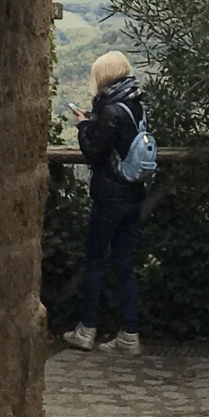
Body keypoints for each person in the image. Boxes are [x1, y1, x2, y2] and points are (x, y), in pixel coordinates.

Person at [63, 51, 146, 354]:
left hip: (109, 197)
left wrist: (84, 125)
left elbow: (94, 152)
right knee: (124, 263)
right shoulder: (135, 105)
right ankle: (130, 334)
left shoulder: (110, 110)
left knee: (95, 263)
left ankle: (86, 329)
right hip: (133, 194)